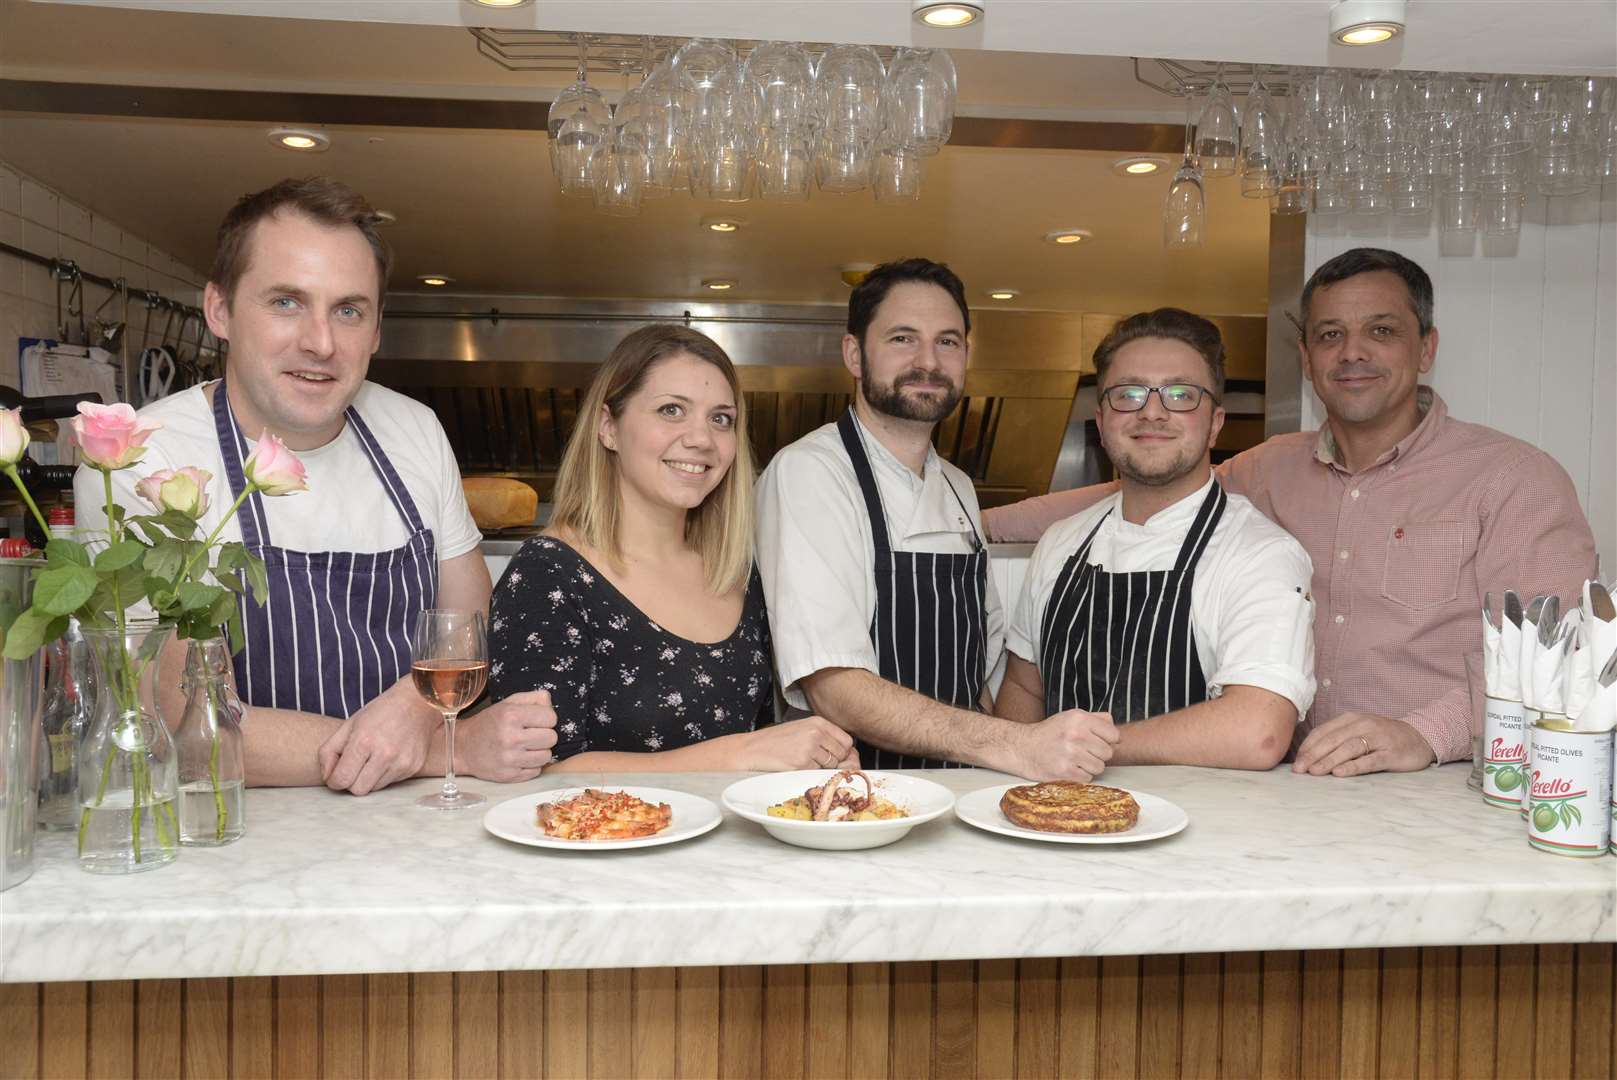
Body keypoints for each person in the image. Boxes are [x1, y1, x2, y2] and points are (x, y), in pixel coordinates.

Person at [985, 247, 1598, 777]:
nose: (1352, 353)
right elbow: (1146, 487)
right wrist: (971, 521)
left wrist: (1424, 734)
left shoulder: (1512, 479)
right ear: (1306, 358)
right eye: (1330, 334)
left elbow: (1559, 658)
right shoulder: (1272, 467)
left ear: (1427, 346)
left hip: (1437, 783)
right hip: (1294, 788)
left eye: (1381, 331)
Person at [74, 176, 558, 793]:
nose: (321, 343)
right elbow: (183, 719)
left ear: (377, 330)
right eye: (286, 302)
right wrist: (442, 749)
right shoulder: (139, 459)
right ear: (219, 309)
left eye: (348, 310)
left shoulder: (414, 430)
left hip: (414, 831)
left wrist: (412, 713)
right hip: (229, 830)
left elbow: (466, 623)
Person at [755, 258, 1119, 779]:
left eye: (947, 341)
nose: (928, 360)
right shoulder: (810, 473)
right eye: (903, 338)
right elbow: (834, 686)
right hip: (855, 797)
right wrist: (1014, 745)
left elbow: (981, 676)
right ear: (854, 354)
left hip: (959, 789)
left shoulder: (958, 486)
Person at [486, 324, 855, 771]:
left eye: (721, 419)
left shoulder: (736, 572)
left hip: (731, 841)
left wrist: (814, 759)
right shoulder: (548, 574)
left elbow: (759, 753)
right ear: (608, 427)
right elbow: (541, 774)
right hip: (611, 843)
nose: (701, 438)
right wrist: (741, 753)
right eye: (671, 410)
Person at [995, 309, 1315, 771]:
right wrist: (1020, 786)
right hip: (1056, 822)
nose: (1152, 411)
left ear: (1216, 422)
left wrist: (1078, 749)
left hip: (1207, 831)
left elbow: (1257, 731)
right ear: (1102, 421)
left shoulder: (1261, 554)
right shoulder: (1062, 543)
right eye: (1128, 394)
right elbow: (1026, 688)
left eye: (1181, 394)